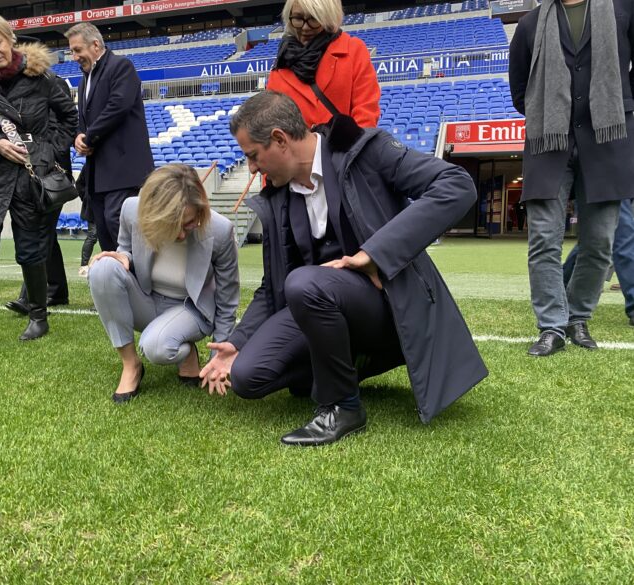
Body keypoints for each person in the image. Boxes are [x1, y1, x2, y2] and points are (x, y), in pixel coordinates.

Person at [200, 91, 488, 446]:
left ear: (279, 139)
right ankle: (340, 367)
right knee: (248, 377)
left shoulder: (367, 151)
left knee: (304, 283)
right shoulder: (279, 197)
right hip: (318, 298)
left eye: (253, 156)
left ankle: (342, 406)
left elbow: (456, 186)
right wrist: (238, 341)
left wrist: (375, 253)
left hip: (388, 306)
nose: (253, 168)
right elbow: (270, 286)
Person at [508, 0, 634, 356]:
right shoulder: (530, 23)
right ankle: (552, 325)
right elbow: (520, 89)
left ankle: (577, 317)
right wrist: (549, 112)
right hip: (548, 144)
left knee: (599, 241)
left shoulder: (623, 10)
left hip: (609, 139)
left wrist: (621, 104)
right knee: (543, 240)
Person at [0, 10, 77, 349]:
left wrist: (46, 152)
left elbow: (69, 118)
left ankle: (39, 316)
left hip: (30, 177)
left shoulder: (42, 77)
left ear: (9, 38)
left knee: (30, 248)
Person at [87, 164, 239, 402]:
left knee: (156, 348)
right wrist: (122, 257)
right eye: (170, 225)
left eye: (188, 223)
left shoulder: (220, 231)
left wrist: (217, 358)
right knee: (102, 268)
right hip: (148, 298)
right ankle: (131, 365)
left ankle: (185, 349)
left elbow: (228, 302)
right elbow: (126, 250)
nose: (180, 235)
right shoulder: (131, 210)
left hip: (191, 309)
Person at [65, 22, 154, 252]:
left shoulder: (120, 66)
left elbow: (117, 107)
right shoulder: (85, 79)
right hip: (98, 173)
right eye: (71, 51)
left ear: (95, 45)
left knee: (118, 224)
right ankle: (115, 283)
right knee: (104, 230)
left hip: (123, 170)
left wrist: (88, 138)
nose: (74, 57)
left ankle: (138, 282)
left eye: (77, 50)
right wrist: (78, 137)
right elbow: (82, 119)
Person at [5, 75, 73, 315]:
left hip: (51, 173)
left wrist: (48, 151)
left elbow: (64, 122)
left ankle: (31, 296)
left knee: (40, 233)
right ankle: (57, 290)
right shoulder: (28, 86)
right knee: (46, 234)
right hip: (39, 171)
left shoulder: (51, 83)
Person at [267, 0, 380, 129]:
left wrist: (352, 146)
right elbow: (273, 122)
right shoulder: (282, 62)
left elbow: (366, 111)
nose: (305, 27)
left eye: (314, 19)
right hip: (299, 149)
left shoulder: (353, 49)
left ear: (328, 18)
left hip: (346, 147)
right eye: (298, 18)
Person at [564, 199, 634, 327]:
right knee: (621, 236)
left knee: (595, 240)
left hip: (618, 186)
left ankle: (561, 285)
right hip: (605, 184)